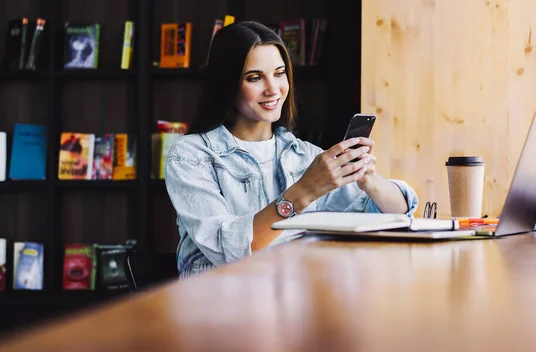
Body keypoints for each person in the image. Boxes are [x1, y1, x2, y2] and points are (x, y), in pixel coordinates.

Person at [164, 21, 419, 278]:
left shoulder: (305, 155)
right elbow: (229, 251)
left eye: (279, 73)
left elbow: (396, 214)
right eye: (254, 78)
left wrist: (369, 180)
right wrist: (304, 191)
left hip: (292, 299)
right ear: (227, 84)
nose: (273, 89)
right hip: (217, 304)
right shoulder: (191, 156)